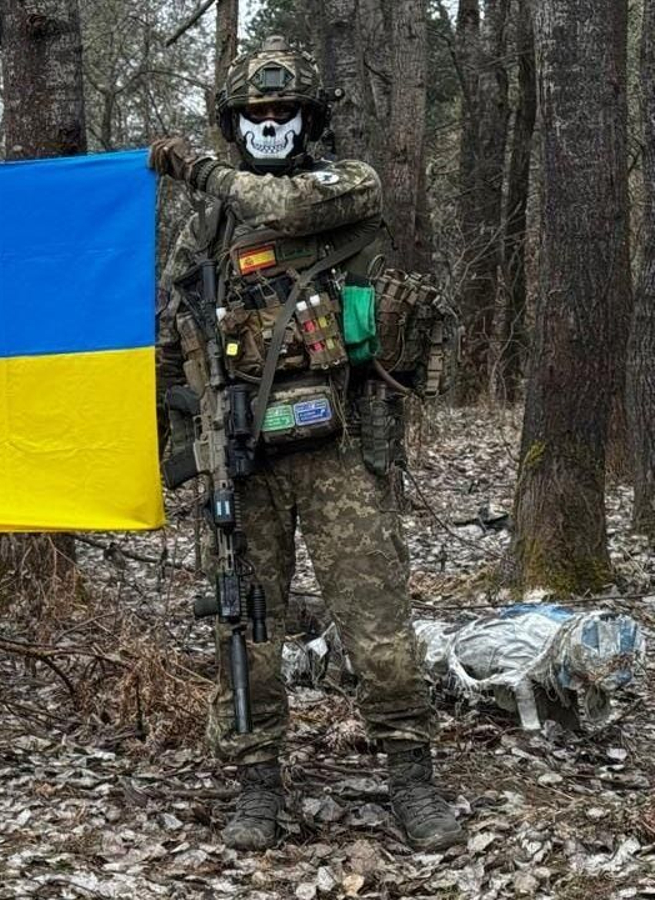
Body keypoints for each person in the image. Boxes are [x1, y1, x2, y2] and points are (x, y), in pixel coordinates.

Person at [148, 36, 464, 852]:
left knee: (376, 620)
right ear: (234, 122)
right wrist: (178, 440)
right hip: (245, 453)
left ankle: (412, 776)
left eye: (284, 111)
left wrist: (194, 167)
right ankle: (257, 780)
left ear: (310, 118)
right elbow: (172, 328)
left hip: (341, 449)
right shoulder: (206, 226)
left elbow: (283, 210)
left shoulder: (346, 185)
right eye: (255, 113)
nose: (269, 125)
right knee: (246, 625)